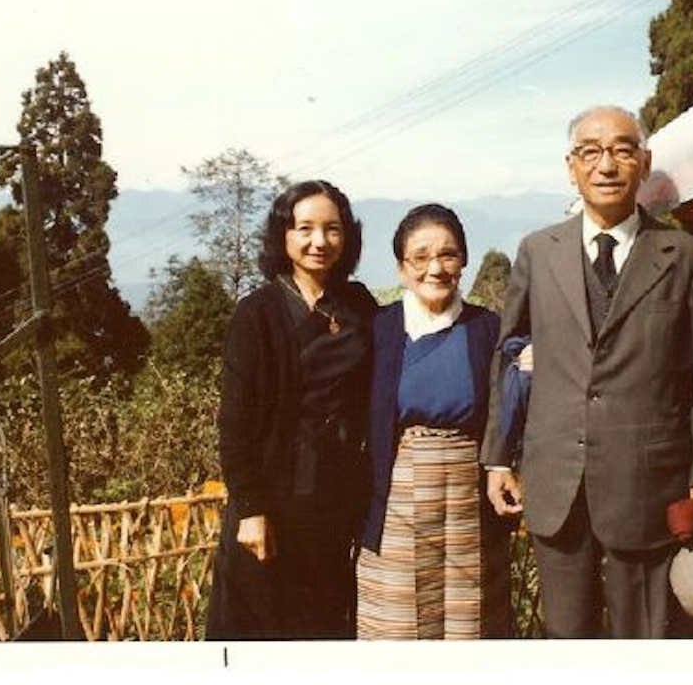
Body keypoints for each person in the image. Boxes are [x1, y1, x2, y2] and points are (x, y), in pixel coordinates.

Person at [480, 106, 693, 639]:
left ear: (644, 162)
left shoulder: (686, 257)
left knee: (644, 639)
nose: (606, 164)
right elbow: (509, 358)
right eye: (590, 152)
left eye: (621, 149)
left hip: (647, 483)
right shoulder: (537, 251)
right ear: (571, 167)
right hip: (557, 484)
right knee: (565, 639)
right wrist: (498, 457)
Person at [206, 180, 378, 640]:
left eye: (332, 229)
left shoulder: (359, 305)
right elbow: (234, 425)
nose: (319, 241)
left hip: (336, 504)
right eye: (305, 228)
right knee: (260, 632)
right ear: (284, 236)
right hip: (275, 504)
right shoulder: (257, 314)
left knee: (322, 628)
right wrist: (251, 509)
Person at [357, 203, 511, 640]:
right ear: (403, 269)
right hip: (400, 492)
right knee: (398, 620)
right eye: (420, 257)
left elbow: (510, 409)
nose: (435, 268)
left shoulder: (487, 328)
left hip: (469, 493)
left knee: (470, 620)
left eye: (447, 254)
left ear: (464, 260)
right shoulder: (380, 330)